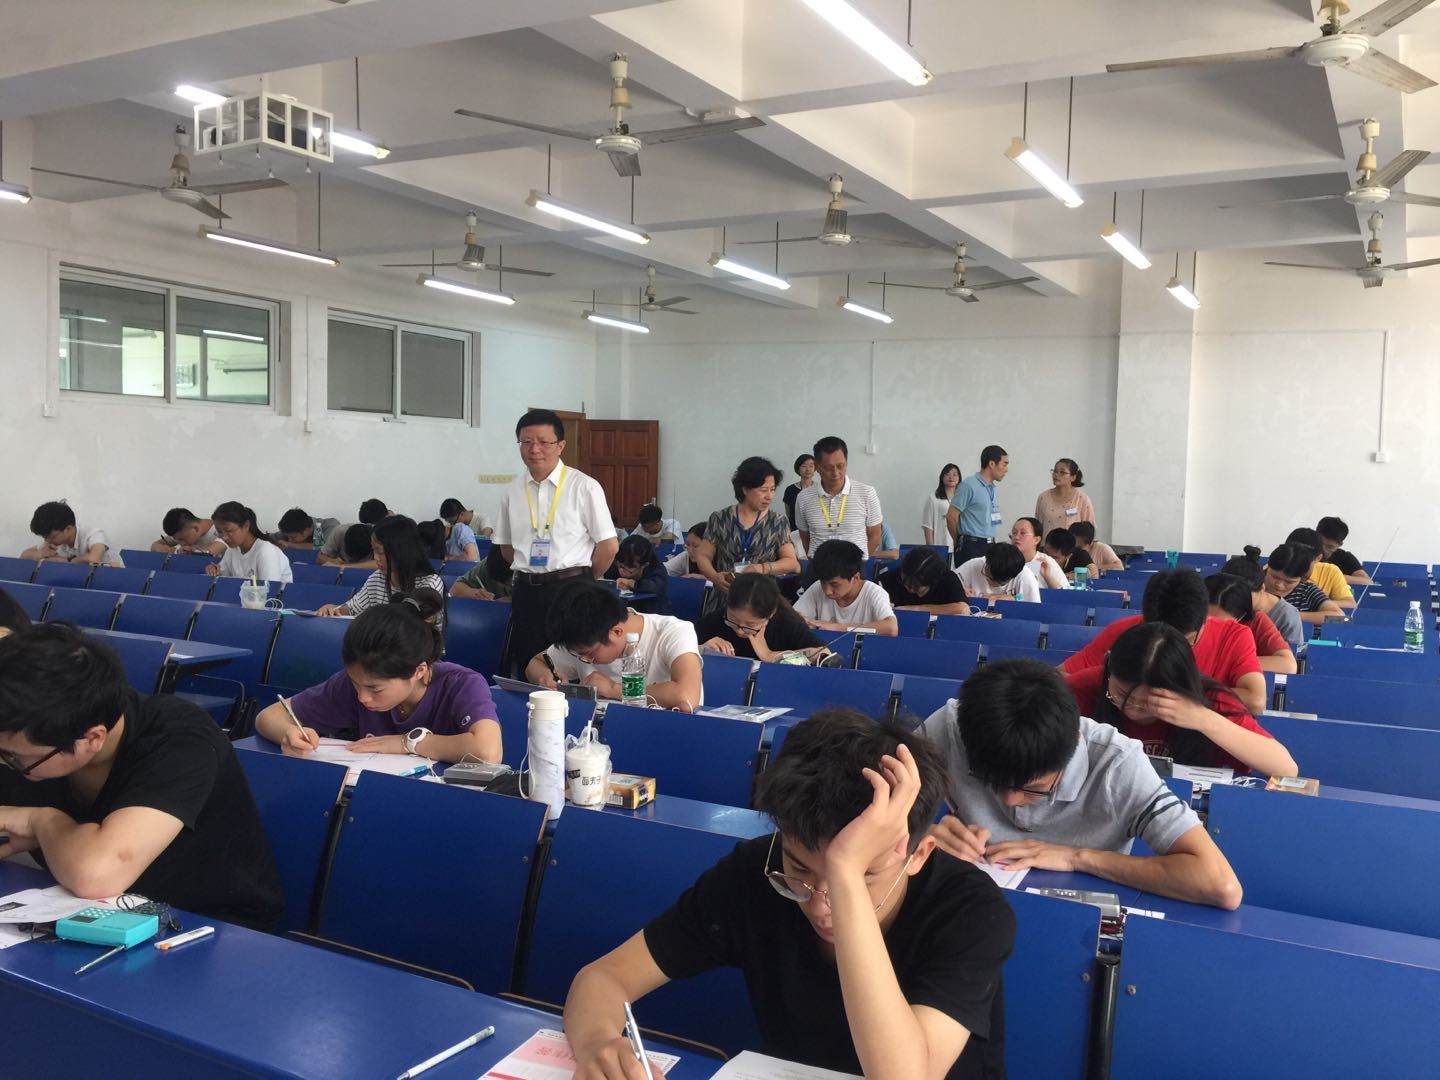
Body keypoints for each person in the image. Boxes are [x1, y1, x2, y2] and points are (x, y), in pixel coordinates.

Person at [564, 708, 1015, 1080]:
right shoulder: (756, 872)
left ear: (918, 856)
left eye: (864, 875)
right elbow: (603, 979)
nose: (820, 905)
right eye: (799, 869)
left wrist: (845, 869)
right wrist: (599, 1043)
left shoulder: (970, 910)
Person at [0, 624, 283, 929]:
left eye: (11, 757)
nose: (5, 762)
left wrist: (41, 822)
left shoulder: (180, 741)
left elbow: (95, 875)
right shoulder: (29, 735)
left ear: (92, 739)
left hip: (207, 928)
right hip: (77, 912)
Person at [923, 659, 1242, 910]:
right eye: (989, 780)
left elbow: (1221, 886)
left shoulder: (1117, 765)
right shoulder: (951, 728)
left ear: (1072, 747)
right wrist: (920, 834)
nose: (1009, 800)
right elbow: (891, 811)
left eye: (1033, 787)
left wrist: (1076, 857)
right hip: (972, 906)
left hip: (1078, 919)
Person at [255, 588, 501, 764]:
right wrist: (288, 733)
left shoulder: (461, 684)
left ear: (418, 671)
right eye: (356, 684)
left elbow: (488, 751)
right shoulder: (357, 681)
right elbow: (268, 716)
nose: (362, 697)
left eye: (375, 689)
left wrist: (405, 743)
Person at [1068, 622, 1297, 777]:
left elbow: (1286, 768)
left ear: (1180, 687)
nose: (1132, 708)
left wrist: (1202, 719)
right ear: (1108, 665)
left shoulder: (1210, 701)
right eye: (1119, 693)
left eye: (1150, 701)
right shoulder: (1088, 685)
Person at [495, 409, 618, 677]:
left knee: (577, 667)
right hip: (527, 592)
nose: (534, 449)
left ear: (560, 445)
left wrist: (585, 580)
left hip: (573, 590)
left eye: (543, 442)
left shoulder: (584, 486)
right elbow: (506, 548)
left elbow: (608, 546)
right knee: (531, 668)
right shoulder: (512, 492)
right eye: (526, 442)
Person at [1059, 569, 1266, 716]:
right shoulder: (1126, 632)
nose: (1168, 650)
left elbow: (1255, 701)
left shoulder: (1234, 636)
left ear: (1205, 620)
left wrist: (1176, 694)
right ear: (1144, 620)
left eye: (1184, 642)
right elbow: (1062, 675)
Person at [525, 581, 702, 710]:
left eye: (589, 654)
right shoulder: (582, 638)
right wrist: (544, 677)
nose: (584, 660)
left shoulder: (673, 632)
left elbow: (687, 696)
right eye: (578, 655)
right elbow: (535, 663)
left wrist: (615, 689)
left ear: (616, 631)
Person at [693, 457, 800, 611]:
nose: (769, 496)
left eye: (772, 489)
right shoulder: (720, 518)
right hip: (725, 596)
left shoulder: (778, 522)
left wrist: (761, 568)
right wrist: (715, 577)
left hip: (761, 599)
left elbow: (792, 563)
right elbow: (703, 556)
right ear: (745, 489)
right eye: (763, 490)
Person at [318, 516, 444, 621]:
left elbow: (421, 633)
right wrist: (334, 610)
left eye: (380, 551)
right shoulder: (377, 578)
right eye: (373, 550)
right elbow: (352, 609)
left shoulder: (429, 584)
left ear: (400, 551)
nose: (375, 557)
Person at [695, 573, 827, 662]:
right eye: (733, 620)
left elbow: (823, 654)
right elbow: (683, 641)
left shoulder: (786, 625)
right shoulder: (718, 619)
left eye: (750, 625)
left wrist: (769, 655)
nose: (739, 630)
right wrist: (701, 648)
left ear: (770, 614)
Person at [794, 436, 883, 558]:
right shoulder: (803, 498)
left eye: (840, 466)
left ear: (846, 462)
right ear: (817, 467)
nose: (836, 473)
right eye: (828, 468)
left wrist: (855, 563)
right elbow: (805, 538)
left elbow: (875, 537)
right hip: (819, 566)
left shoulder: (866, 493)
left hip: (855, 567)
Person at [794, 540, 898, 636]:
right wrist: (803, 621)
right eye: (823, 582)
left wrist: (837, 628)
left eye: (834, 584)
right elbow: (792, 617)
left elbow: (891, 628)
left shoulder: (874, 593)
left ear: (855, 578)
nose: (827, 591)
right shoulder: (817, 588)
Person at [1207, 574, 1297, 674]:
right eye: (1207, 620)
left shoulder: (1255, 621)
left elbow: (1288, 665)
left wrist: (1230, 662)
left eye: (1222, 624)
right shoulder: (1193, 622)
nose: (1212, 627)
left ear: (1241, 617)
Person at [1219, 554, 1305, 652]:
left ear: (1262, 589)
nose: (1237, 603)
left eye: (1245, 597)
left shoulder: (1283, 616)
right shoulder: (1216, 604)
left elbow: (1290, 657)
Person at [1255, 542, 1343, 627]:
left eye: (1289, 582)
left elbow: (1341, 618)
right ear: (1268, 567)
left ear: (1301, 579)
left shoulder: (1306, 591)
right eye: (1275, 577)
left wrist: (1287, 615)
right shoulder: (1253, 583)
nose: (1279, 585)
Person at [947, 446, 1007, 565]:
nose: (1006, 470)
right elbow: (951, 517)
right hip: (971, 545)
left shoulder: (992, 488)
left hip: (990, 544)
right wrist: (958, 541)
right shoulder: (968, 486)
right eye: (1004, 464)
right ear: (992, 464)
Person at [206, 501, 293, 583]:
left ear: (246, 526)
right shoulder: (232, 550)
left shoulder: (266, 551)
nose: (224, 537)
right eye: (219, 531)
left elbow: (269, 589)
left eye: (229, 531)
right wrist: (214, 570)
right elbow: (221, 576)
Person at [879, 547, 971, 616]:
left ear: (931, 582)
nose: (909, 588)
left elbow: (963, 609)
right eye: (903, 581)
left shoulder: (947, 578)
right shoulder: (889, 579)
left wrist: (915, 609)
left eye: (916, 587)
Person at [20, 501, 108, 565]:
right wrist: (40, 554)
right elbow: (24, 556)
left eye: (52, 537)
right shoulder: (52, 540)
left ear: (68, 529)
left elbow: (95, 558)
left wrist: (64, 560)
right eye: (44, 537)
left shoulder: (94, 534)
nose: (47, 541)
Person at [1287, 527, 1355, 609]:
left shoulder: (1329, 571)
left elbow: (1350, 606)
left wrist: (1320, 604)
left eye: (1304, 562)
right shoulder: (1276, 569)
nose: (1298, 567)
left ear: (1318, 558)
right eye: (1293, 560)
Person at [604, 534, 672, 615]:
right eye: (620, 565)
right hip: (618, 610)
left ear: (644, 565)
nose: (622, 571)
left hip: (650, 612)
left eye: (630, 567)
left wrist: (632, 583)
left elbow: (657, 586)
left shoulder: (656, 568)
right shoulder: (616, 562)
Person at [955, 543, 1040, 603]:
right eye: (986, 572)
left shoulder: (1025, 576)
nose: (988, 581)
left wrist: (1009, 598)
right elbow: (948, 584)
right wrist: (960, 593)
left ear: (1011, 577)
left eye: (993, 580)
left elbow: (1034, 607)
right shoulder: (974, 565)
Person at [1034, 458, 1095, 536]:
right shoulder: (1043, 497)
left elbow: (1089, 530)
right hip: (1047, 543)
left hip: (1071, 543)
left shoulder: (1082, 499)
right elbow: (1038, 527)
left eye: (1062, 472)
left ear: (1073, 477)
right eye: (1055, 471)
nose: (1056, 475)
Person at [1008, 517, 1067, 589]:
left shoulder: (1046, 562)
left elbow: (1065, 593)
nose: (1016, 537)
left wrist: (1048, 577)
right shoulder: (1005, 560)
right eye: (1014, 533)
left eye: (1023, 533)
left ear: (1037, 540)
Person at [1316, 516, 1371, 584]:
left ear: (1340, 544)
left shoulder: (1344, 557)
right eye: (1320, 543)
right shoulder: (1306, 552)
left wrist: (1333, 576)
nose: (1323, 549)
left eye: (1330, 547)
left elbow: (1367, 581)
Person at [150, 508, 225, 556]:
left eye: (182, 539)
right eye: (177, 540)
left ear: (195, 528)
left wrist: (188, 550)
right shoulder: (182, 533)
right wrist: (162, 549)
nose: (181, 543)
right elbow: (154, 545)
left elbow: (211, 551)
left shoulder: (222, 531)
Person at [922, 463, 960, 553]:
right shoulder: (933, 498)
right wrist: (931, 549)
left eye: (955, 475)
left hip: (958, 547)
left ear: (959, 478)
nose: (951, 477)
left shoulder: (961, 498)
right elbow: (928, 525)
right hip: (940, 546)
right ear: (942, 477)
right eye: (947, 474)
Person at [271, 508, 342, 552]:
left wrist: (289, 545)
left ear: (306, 531)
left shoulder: (329, 525)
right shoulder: (291, 530)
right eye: (288, 537)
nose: (289, 540)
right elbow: (270, 538)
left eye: (293, 537)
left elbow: (321, 547)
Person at [782, 453, 815, 533]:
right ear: (798, 468)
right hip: (795, 532)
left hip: (816, 533)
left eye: (811, 466)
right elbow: (789, 513)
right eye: (804, 466)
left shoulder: (819, 489)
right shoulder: (790, 490)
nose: (808, 469)